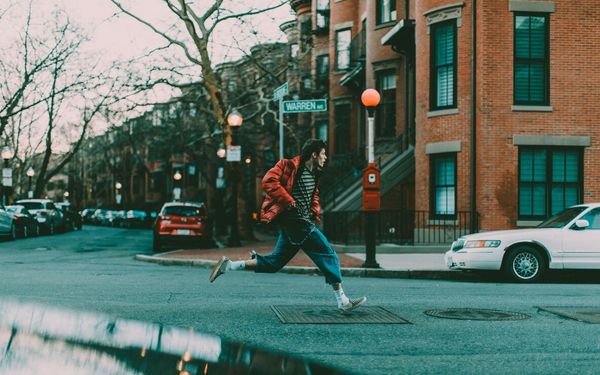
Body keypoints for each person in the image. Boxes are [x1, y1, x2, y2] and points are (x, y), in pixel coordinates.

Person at [209, 139, 367, 314]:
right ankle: (343, 301)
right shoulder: (288, 166)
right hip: (298, 223)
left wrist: (314, 208)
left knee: (274, 263)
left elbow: (312, 194)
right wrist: (290, 201)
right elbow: (268, 181)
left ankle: (229, 265)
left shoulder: (315, 173)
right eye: (322, 153)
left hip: (295, 225)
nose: (325, 157)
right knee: (328, 255)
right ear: (313, 154)